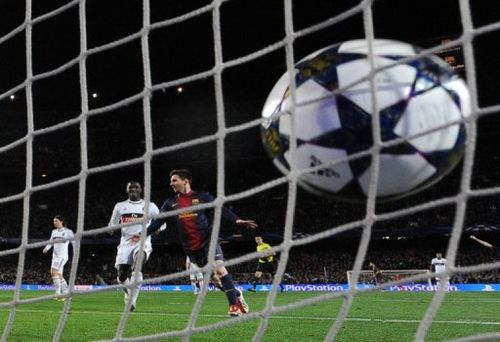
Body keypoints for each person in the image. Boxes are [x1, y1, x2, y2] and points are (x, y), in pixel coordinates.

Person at [136, 169, 257, 317]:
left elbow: (220, 208)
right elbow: (157, 223)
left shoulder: (202, 197)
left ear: (185, 181)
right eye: (171, 181)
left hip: (208, 239)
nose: (171, 183)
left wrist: (237, 220)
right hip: (191, 247)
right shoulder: (170, 203)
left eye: (174, 180)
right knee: (215, 279)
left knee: (218, 268)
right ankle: (237, 293)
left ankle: (233, 306)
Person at [108, 180, 165, 312]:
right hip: (125, 243)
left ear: (141, 190)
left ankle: (131, 301)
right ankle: (128, 294)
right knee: (122, 275)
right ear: (127, 190)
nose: (133, 189)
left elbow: (162, 223)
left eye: (136, 187)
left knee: (137, 265)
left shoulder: (150, 206)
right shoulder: (120, 206)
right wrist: (111, 229)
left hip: (143, 241)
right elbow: (112, 223)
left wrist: (158, 229)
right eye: (130, 187)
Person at [42, 215, 75, 300]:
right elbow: (51, 242)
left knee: (54, 271)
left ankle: (58, 293)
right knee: (58, 274)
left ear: (61, 221)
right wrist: (46, 248)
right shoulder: (54, 232)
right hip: (55, 255)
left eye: (56, 221)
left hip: (62, 256)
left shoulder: (68, 232)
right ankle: (66, 293)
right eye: (54, 221)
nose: (54, 222)